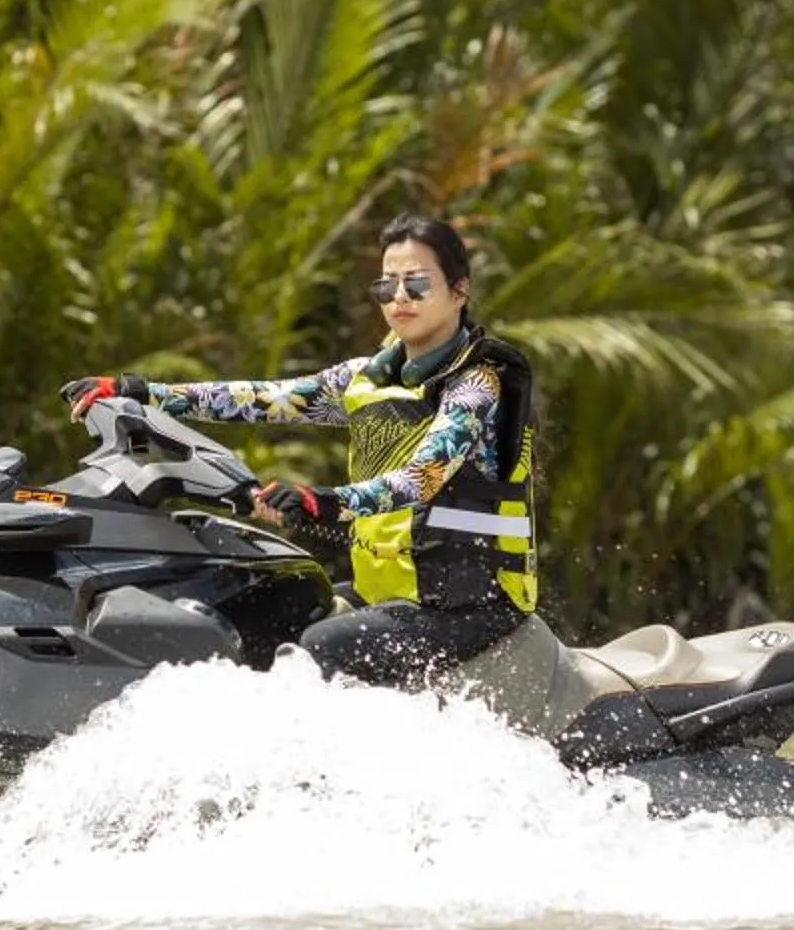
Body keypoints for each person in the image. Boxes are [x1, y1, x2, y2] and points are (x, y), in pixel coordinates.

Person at [59, 214, 538, 689]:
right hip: (386, 595)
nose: (398, 299)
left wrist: (320, 502)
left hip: (467, 608)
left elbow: (421, 478)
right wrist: (138, 391)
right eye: (385, 286)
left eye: (416, 285)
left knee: (323, 649)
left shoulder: (476, 385)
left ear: (459, 291)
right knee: (260, 617)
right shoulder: (363, 379)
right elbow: (261, 400)